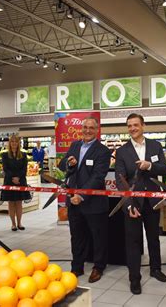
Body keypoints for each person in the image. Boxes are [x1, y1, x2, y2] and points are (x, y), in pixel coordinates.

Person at [115, 113, 166, 295]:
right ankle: (134, 278)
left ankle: (156, 269)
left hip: (152, 201)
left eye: (136, 125)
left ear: (143, 125)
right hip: (133, 203)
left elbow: (165, 169)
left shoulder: (155, 146)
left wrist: (150, 166)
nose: (132, 128)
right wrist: (129, 204)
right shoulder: (122, 151)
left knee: (154, 237)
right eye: (129, 126)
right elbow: (120, 180)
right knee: (133, 241)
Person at [58, 117, 111, 283]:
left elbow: (97, 177)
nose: (87, 130)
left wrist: (80, 195)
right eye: (85, 127)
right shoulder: (75, 145)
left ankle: (99, 267)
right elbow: (61, 166)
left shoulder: (103, 151)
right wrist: (69, 162)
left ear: (97, 130)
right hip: (73, 202)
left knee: (98, 236)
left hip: (93, 202)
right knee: (77, 236)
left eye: (91, 128)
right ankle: (77, 266)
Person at [0, 135, 31, 231]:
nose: (14, 143)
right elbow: (5, 169)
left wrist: (18, 178)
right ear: (9, 143)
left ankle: (19, 223)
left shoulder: (23, 155)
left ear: (18, 143)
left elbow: (24, 169)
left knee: (19, 203)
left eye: (16, 142)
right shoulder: (5, 155)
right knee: (11, 203)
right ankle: (13, 224)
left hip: (20, 181)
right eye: (12, 142)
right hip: (9, 181)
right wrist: (13, 177)